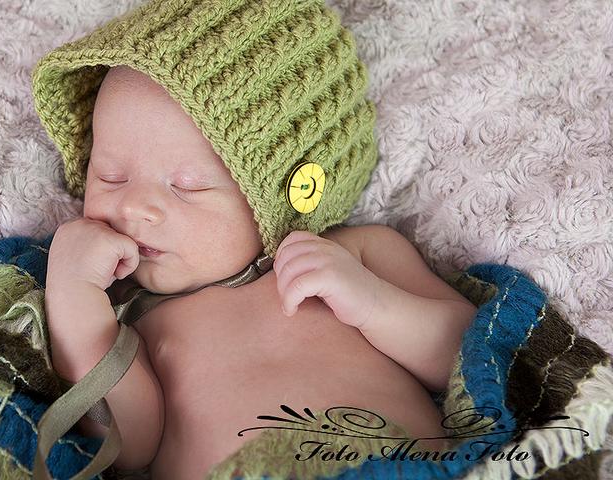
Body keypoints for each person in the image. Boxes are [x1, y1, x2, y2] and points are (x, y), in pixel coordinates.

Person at [32, 1, 477, 478]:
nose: (134, 206)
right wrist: (74, 298)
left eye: (187, 185)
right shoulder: (131, 311)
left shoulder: (355, 253)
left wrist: (374, 305)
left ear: (287, 190)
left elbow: (469, 356)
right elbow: (126, 445)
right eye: (110, 176)